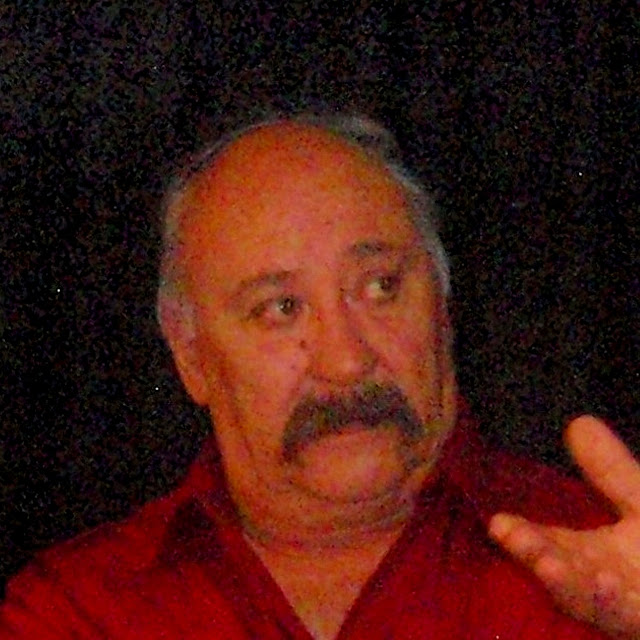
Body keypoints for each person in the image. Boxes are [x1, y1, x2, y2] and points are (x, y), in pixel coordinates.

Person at [0, 113, 637, 639]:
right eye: (280, 308)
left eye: (381, 287)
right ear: (190, 356)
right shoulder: (79, 612)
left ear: (444, 309)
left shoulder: (604, 560)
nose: (346, 362)